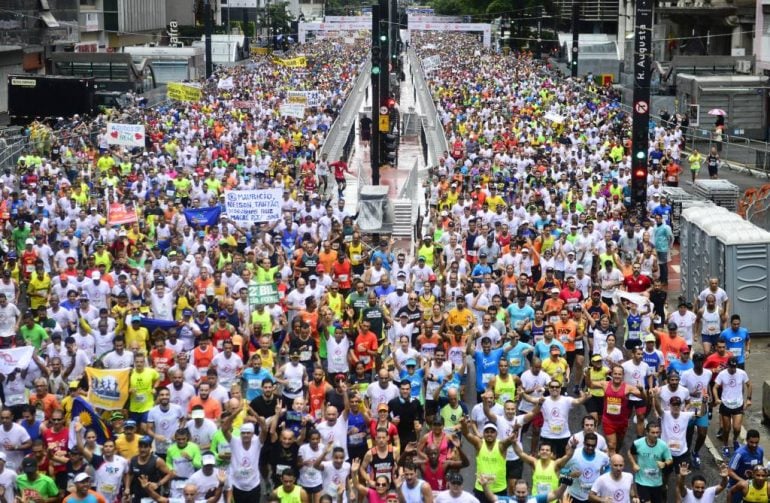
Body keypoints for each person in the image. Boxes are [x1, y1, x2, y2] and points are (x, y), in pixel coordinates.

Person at [714, 356, 751, 458]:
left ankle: (734, 440)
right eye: (731, 367)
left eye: (734, 367)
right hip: (725, 404)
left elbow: (749, 385)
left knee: (737, 428)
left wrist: (748, 399)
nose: (733, 369)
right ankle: (725, 445)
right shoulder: (722, 374)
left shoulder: (742, 373)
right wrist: (717, 398)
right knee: (726, 429)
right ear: (728, 365)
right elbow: (715, 387)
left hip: (738, 404)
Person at [628, 422, 672, 503]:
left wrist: (664, 463)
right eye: (653, 432)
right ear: (647, 432)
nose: (656, 435)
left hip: (657, 482)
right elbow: (630, 452)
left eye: (657, 432)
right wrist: (634, 464)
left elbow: (669, 459)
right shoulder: (638, 443)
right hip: (642, 481)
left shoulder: (663, 445)